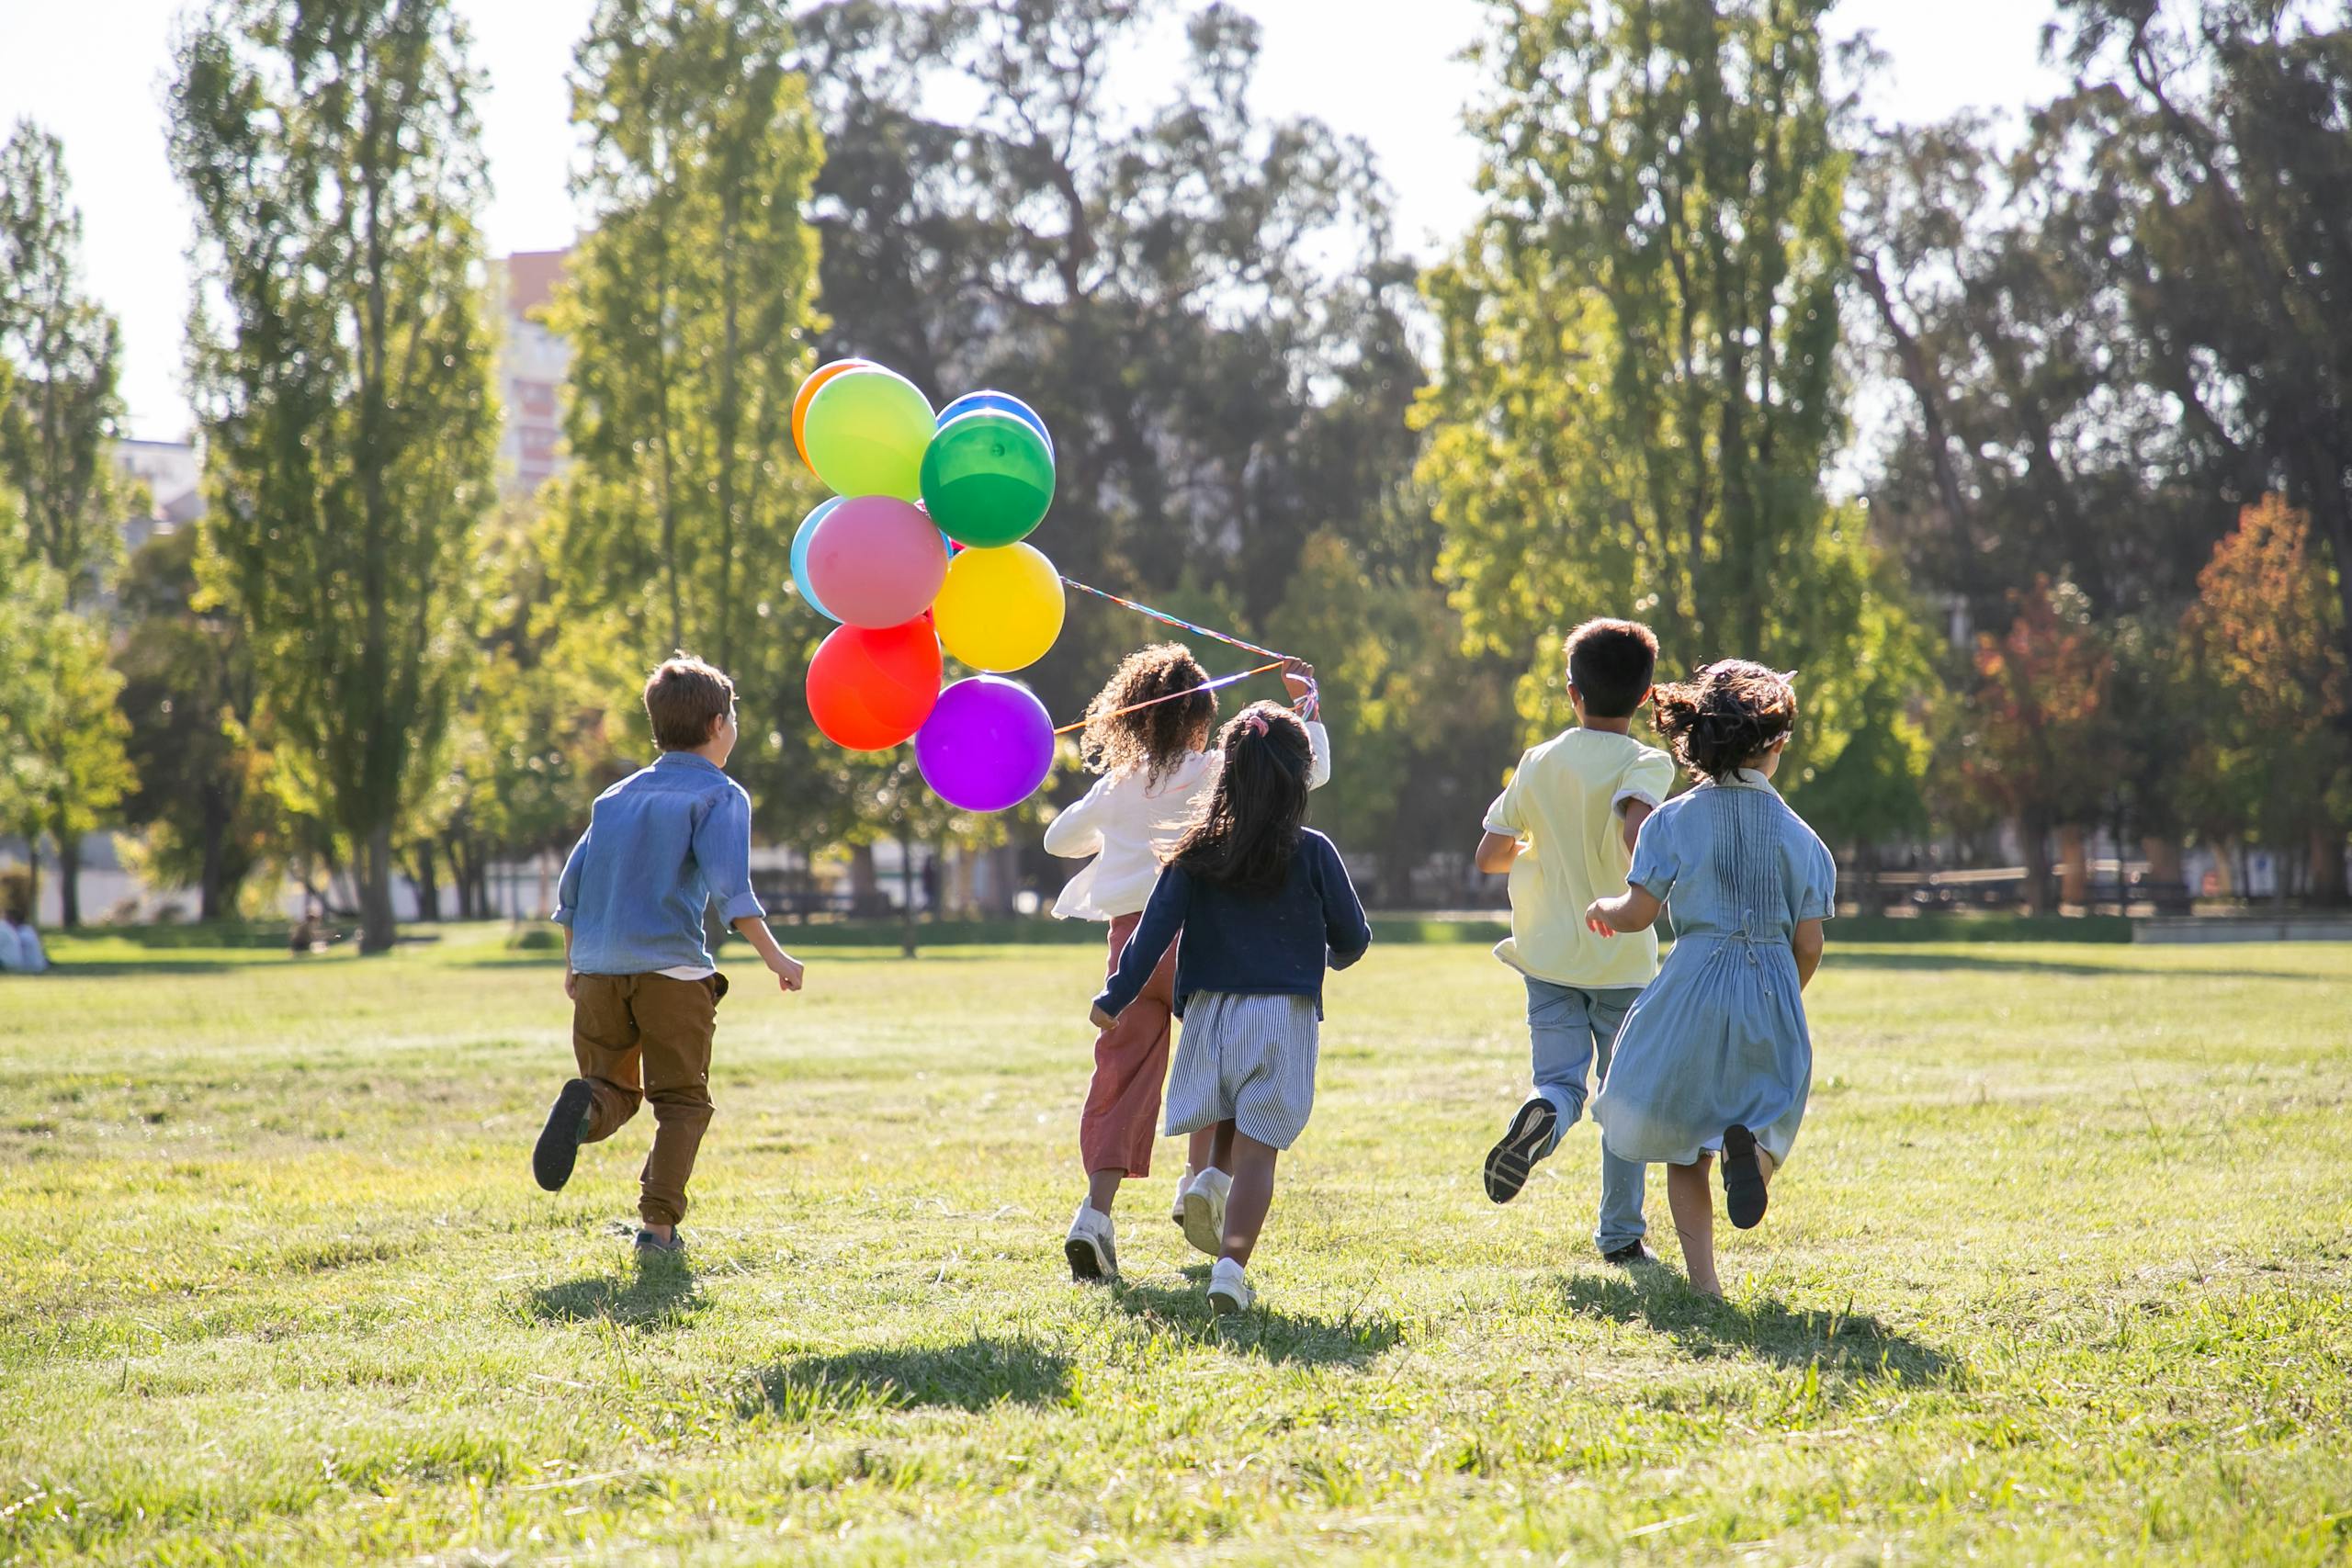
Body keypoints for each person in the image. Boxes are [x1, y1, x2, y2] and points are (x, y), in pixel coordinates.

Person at [1046, 646, 1329, 1280]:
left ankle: (1095, 1214)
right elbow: (1307, 771)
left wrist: (1114, 807)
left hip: (1131, 951)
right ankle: (1200, 1183)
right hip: (1201, 942)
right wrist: (1306, 706)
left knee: (1119, 1078)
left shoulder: (1117, 786)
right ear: (1203, 718)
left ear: (1132, 721)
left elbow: (1056, 839)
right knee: (1222, 1068)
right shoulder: (1216, 770)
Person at [1090, 703, 1371, 1313]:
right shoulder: (1315, 850)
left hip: (1210, 1014)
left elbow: (1151, 934)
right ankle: (1229, 1269)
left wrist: (1115, 995)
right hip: (1281, 1016)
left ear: (1226, 774)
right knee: (1260, 1154)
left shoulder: (1195, 851)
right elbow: (1353, 935)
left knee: (1224, 1112)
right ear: (1300, 779)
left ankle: (1209, 1179)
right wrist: (1330, 956)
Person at [531, 655, 808, 1257]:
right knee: (681, 1101)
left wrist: (574, 964)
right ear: (717, 725)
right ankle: (657, 1230)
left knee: (612, 1089)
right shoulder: (719, 795)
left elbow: (570, 890)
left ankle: (584, 1108)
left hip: (600, 969)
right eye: (732, 717)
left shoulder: (615, 797)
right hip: (671, 971)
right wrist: (778, 958)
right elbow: (732, 891)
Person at [1584, 661, 1834, 1299]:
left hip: (1692, 982)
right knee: (1772, 1113)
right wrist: (1783, 993)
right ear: (1775, 743)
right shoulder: (1804, 840)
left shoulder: (1670, 821)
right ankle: (1753, 1159)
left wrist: (1603, 909)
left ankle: (1706, 1287)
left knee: (1682, 1142)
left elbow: (1638, 913)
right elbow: (1809, 942)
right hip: (1772, 984)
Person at [1472, 618, 1676, 1265]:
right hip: (1619, 956)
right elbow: (1635, 832)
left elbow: (1489, 854)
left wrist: (1545, 849)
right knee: (1623, 1097)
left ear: (1572, 693)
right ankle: (1620, 1234)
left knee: (1559, 1080)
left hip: (1548, 955)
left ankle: (1541, 1114)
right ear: (1646, 698)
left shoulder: (1538, 760)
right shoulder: (1647, 760)